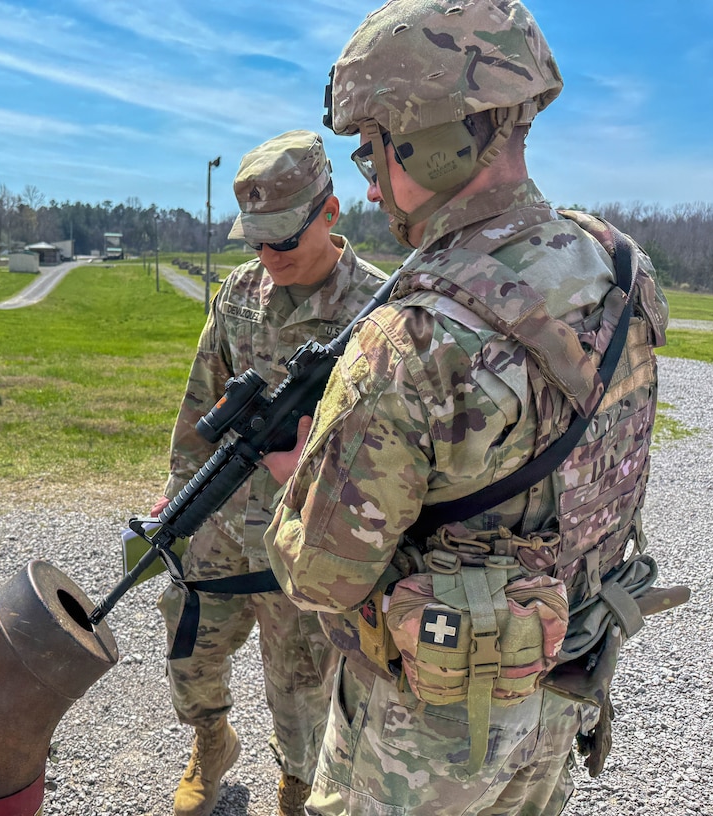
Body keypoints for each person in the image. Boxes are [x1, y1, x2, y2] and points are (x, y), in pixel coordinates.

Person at [263, 2, 678, 815]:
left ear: (435, 141)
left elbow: (319, 578)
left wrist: (295, 476)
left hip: (430, 732)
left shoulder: (410, 338)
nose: (372, 181)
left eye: (374, 151)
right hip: (566, 678)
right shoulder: (620, 266)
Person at [154, 129, 389, 816]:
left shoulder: (375, 311)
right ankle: (212, 743)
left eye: (282, 239)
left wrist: (313, 464)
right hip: (224, 524)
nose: (267, 256)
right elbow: (204, 397)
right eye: (255, 240)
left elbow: (394, 453)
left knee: (302, 687)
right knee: (189, 646)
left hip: (310, 541)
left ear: (331, 213)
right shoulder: (239, 293)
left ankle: (295, 782)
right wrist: (177, 496)